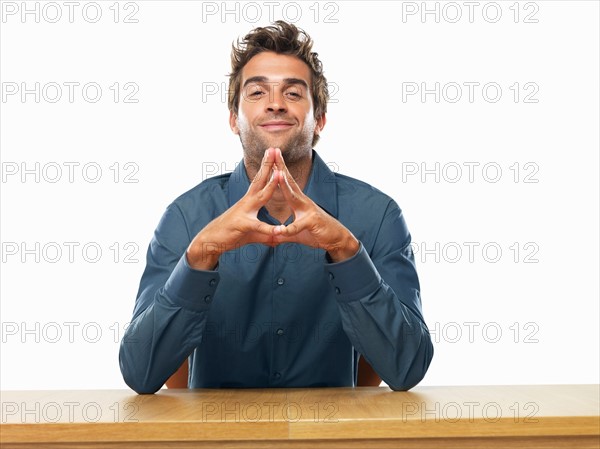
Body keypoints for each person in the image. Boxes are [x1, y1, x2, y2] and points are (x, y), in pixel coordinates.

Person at [119, 20, 433, 394]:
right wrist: (202, 255)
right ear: (234, 119)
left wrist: (347, 252)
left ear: (320, 120)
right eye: (256, 92)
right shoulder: (186, 217)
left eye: (294, 92)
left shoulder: (377, 216)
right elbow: (142, 373)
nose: (275, 102)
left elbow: (407, 367)